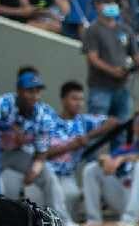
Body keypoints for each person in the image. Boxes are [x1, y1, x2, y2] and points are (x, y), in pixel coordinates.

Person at [0, 71, 86, 226]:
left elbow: (42, 150)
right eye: (30, 91)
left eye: (37, 91)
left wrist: (35, 170)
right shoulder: (4, 103)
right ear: (19, 91)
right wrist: (10, 129)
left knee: (47, 175)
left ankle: (61, 221)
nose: (34, 96)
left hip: (16, 154)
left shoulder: (43, 115)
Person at [82, 111, 139, 226]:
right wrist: (104, 160)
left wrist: (122, 159)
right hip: (127, 200)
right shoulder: (129, 148)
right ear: (136, 128)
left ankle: (130, 220)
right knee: (92, 169)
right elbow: (108, 159)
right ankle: (94, 219)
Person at [45, 80, 109, 217]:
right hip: (46, 174)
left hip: (67, 176)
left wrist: (88, 136)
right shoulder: (49, 121)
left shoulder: (83, 121)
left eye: (81, 99)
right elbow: (42, 154)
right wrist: (70, 146)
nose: (79, 103)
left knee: (72, 195)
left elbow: (113, 122)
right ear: (63, 100)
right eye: (74, 99)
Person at [82, 0, 139, 120]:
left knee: (122, 127)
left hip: (123, 87)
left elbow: (136, 55)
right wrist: (113, 71)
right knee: (98, 127)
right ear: (97, 5)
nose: (111, 6)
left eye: (114, 3)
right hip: (100, 87)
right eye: (106, 2)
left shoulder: (126, 29)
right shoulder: (93, 30)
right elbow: (93, 58)